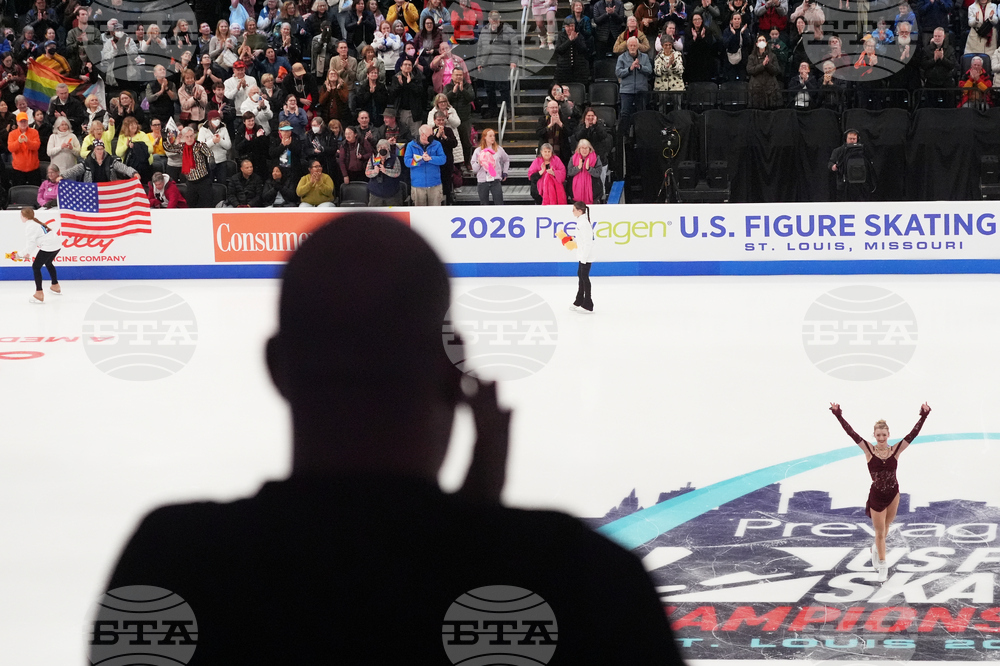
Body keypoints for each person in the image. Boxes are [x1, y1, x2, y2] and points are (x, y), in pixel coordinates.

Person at [98, 211, 687, 661]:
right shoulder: (584, 583)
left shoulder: (175, 563)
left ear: (279, 368)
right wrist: (480, 532)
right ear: (455, 370)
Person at [830, 402, 931, 582]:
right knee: (879, 532)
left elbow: (912, 435)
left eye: (884, 434)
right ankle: (883, 565)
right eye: (878, 435)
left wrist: (923, 416)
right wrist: (838, 415)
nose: (882, 437)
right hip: (877, 496)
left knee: (885, 531)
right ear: (874, 435)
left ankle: (876, 548)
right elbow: (852, 434)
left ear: (888, 435)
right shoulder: (868, 450)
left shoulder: (895, 450)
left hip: (893, 494)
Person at [10, 207, 61, 305]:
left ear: (24, 217)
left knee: (36, 267)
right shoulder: (35, 222)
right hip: (57, 245)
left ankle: (39, 293)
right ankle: (55, 285)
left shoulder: (30, 226)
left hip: (49, 246)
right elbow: (33, 244)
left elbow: (31, 244)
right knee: (48, 262)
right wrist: (27, 252)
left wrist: (19, 254)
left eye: (21, 216)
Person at [476, 12, 516, 119]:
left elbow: (514, 48)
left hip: (501, 64)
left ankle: (507, 110)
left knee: (503, 89)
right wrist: (479, 62)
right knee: (489, 89)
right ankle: (492, 109)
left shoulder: (508, 30)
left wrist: (513, 61)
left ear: (500, 18)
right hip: (487, 64)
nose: (494, 20)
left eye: (496, 18)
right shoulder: (484, 30)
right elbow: (479, 48)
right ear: (489, 19)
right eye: (492, 18)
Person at [165, 126, 215, 207]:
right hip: (190, 182)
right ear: (183, 137)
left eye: (191, 136)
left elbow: (209, 152)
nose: (189, 138)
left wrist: (211, 159)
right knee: (190, 205)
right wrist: (168, 138)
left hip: (203, 181)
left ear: (194, 135)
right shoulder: (182, 146)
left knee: (207, 204)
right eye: (187, 137)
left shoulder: (199, 145)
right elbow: (168, 148)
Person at [561, 200, 595, 312]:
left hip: (585, 256)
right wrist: (571, 239)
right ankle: (579, 300)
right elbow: (581, 239)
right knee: (581, 276)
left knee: (584, 278)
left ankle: (588, 303)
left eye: (574, 210)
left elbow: (588, 242)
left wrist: (584, 258)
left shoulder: (584, 223)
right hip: (582, 255)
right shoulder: (581, 222)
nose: (572, 212)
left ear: (580, 211)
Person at [615, 36, 653, 133]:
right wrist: (629, 69)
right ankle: (625, 136)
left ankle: (640, 135)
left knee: (641, 114)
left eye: (634, 45)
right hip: (626, 91)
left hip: (641, 90)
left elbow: (649, 70)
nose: (632, 47)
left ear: (638, 46)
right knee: (625, 114)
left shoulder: (644, 57)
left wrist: (640, 67)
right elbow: (618, 72)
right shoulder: (621, 58)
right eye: (631, 45)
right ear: (627, 46)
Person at [404, 124, 447, 205]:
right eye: (430, 135)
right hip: (418, 185)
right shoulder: (411, 145)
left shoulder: (437, 144)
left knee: (435, 213)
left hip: (435, 184)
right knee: (419, 214)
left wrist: (430, 159)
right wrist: (421, 160)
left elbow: (443, 159)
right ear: (423, 135)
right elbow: (407, 162)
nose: (432, 136)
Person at [828, 129, 875, 201]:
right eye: (850, 139)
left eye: (854, 139)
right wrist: (833, 167)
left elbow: (870, 164)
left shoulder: (863, 151)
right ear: (845, 139)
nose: (852, 140)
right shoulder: (838, 151)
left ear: (857, 139)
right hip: (844, 185)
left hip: (861, 185)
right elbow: (830, 164)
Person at [62, 141, 138, 182]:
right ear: (94, 150)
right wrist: (62, 176)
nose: (100, 151)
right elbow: (75, 170)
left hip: (108, 189)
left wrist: (134, 173)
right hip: (92, 189)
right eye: (98, 149)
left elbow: (123, 168)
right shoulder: (87, 162)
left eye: (101, 149)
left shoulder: (110, 160)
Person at [470, 128, 508, 205]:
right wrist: (478, 162)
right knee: (484, 204)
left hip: (495, 180)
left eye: (493, 136)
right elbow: (474, 169)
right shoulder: (478, 151)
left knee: (499, 203)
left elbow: (506, 160)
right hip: (482, 181)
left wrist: (505, 172)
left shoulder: (499, 149)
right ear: (485, 137)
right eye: (490, 136)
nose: (492, 138)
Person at [747, 34, 782, 108]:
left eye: (763, 40)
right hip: (756, 88)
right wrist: (762, 65)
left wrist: (768, 64)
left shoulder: (772, 56)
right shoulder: (751, 57)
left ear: (766, 43)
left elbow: (777, 70)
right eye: (760, 40)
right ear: (756, 44)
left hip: (770, 88)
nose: (761, 42)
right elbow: (750, 70)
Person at [365, 138, 403, 205]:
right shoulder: (373, 158)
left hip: (392, 194)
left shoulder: (394, 158)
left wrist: (385, 171)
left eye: (385, 147)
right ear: (377, 149)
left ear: (388, 148)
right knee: (375, 214)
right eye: (380, 147)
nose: (382, 149)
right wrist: (374, 171)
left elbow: (397, 172)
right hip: (375, 194)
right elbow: (367, 172)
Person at [8, 110, 40, 186]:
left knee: (35, 190)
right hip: (18, 169)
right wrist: (18, 142)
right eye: (21, 121)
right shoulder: (12, 134)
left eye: (25, 121)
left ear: (28, 121)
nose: (23, 123)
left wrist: (27, 141)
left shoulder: (34, 132)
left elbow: (36, 146)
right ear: (17, 122)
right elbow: (10, 148)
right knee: (18, 192)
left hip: (33, 168)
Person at [567, 139, 604, 204]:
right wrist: (578, 168)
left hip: (593, 194)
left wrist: (589, 169)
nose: (584, 150)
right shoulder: (573, 158)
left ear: (590, 149)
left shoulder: (596, 158)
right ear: (579, 149)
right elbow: (569, 172)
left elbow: (598, 173)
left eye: (586, 148)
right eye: (582, 148)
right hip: (575, 195)